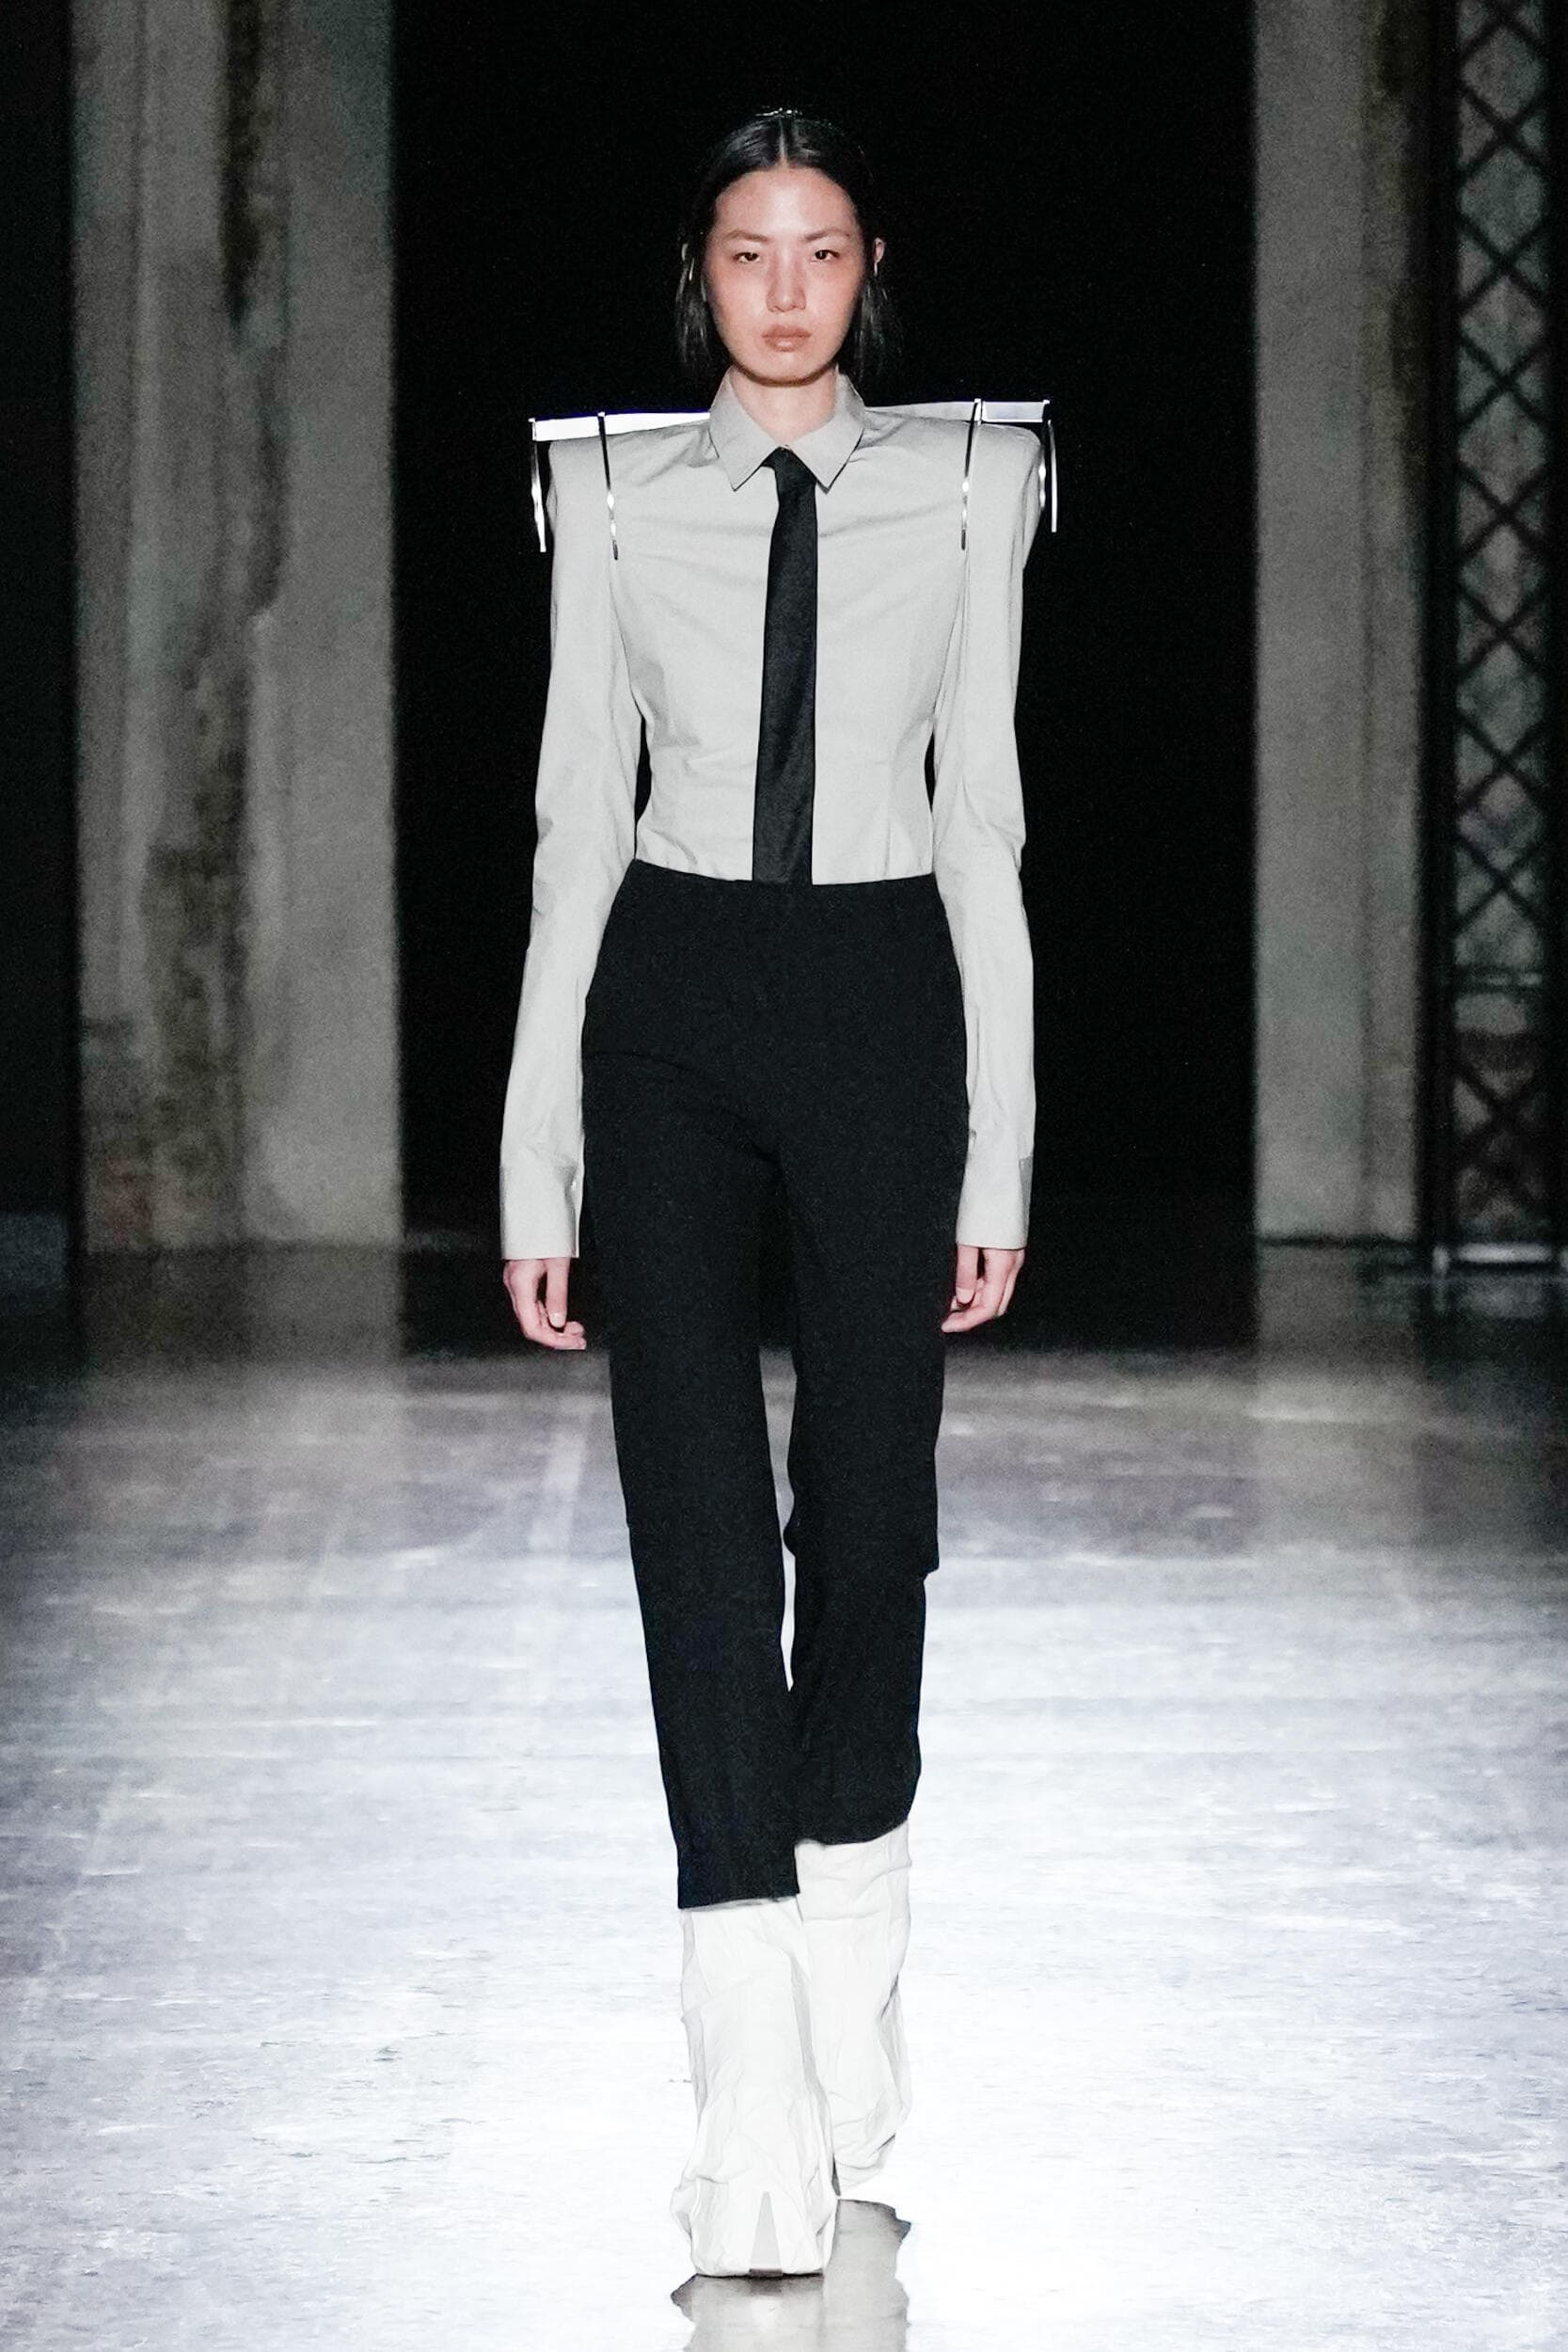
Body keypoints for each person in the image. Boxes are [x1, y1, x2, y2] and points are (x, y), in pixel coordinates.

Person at [499, 105, 1044, 2280]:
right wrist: (535, 1154)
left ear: (870, 265)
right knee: (700, 1534)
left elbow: (988, 820)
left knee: (875, 1515)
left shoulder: (978, 478)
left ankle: (847, 1999)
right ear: (702, 273)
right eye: (750, 252)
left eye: (821, 250)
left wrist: (1004, 1134)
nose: (788, 289)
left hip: (888, 996)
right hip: (673, 997)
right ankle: (747, 2090)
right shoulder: (610, 487)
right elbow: (572, 825)